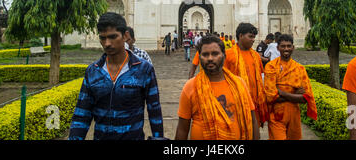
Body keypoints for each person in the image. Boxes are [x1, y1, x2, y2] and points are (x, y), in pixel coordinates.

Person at [69, 12, 163, 140]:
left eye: (113, 37)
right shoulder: (93, 71)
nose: (107, 43)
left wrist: (158, 138)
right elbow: (82, 113)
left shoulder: (143, 69)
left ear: (125, 36)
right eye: (102, 38)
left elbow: (154, 111)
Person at [175, 35, 260, 140]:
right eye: (205, 54)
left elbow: (252, 119)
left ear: (224, 55)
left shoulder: (239, 83)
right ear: (199, 57)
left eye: (215, 54)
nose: (210, 58)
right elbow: (182, 129)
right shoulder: (191, 86)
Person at [264, 34, 317, 140]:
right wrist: (294, 94)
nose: (286, 49)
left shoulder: (299, 68)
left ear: (293, 47)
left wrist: (281, 92)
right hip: (276, 114)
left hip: (294, 114)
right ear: (278, 48)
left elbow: (305, 98)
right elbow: (270, 97)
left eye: (289, 46)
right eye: (283, 46)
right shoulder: (271, 66)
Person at [224, 22, 269, 127]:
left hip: (254, 104)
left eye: (254, 37)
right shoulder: (228, 55)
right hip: (235, 103)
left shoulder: (256, 56)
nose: (253, 40)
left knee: (254, 132)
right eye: (250, 37)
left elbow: (259, 80)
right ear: (240, 36)